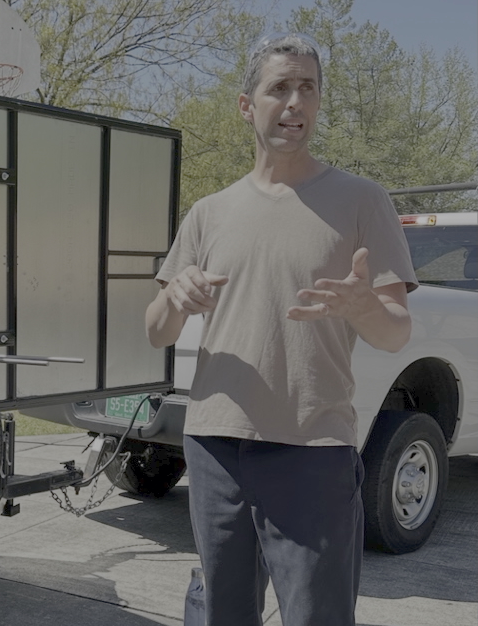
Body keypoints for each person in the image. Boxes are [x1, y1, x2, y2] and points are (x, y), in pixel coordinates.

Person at [145, 33, 417, 626]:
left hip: (312, 449)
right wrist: (179, 298)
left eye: (308, 89)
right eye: (280, 88)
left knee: (316, 616)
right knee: (222, 613)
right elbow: (156, 330)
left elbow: (396, 332)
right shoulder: (209, 212)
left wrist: (360, 305)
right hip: (216, 444)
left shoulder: (361, 201)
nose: (295, 102)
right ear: (248, 105)